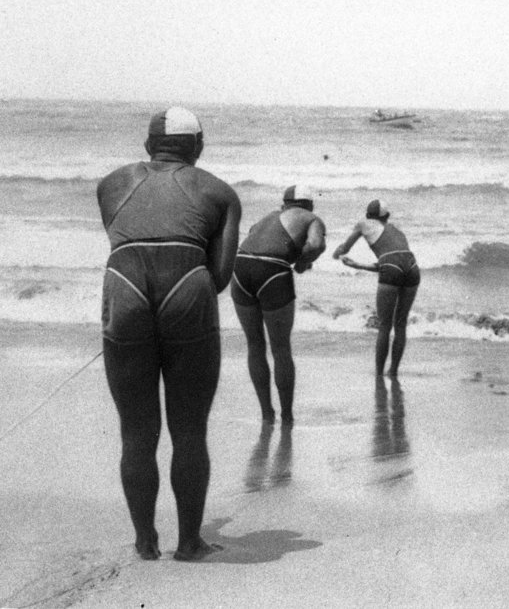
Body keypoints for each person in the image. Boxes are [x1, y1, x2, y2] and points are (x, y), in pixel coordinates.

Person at [97, 107, 241, 561]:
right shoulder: (219, 192)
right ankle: (189, 542)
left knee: (136, 432)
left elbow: (128, 237)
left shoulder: (111, 184)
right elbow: (220, 276)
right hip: (188, 287)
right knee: (189, 431)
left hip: (125, 287)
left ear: (148, 145)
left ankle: (145, 540)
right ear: (198, 146)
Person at [231, 184, 327, 425]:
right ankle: (287, 416)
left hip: (240, 267)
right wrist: (302, 262)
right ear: (310, 205)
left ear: (284, 204)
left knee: (255, 345)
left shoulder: (268, 217)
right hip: (272, 270)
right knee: (280, 348)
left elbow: (252, 235)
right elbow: (316, 245)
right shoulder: (311, 218)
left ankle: (266, 414)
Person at [333, 200, 420, 378]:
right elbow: (392, 261)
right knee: (400, 324)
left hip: (391, 267)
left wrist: (336, 254)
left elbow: (345, 248)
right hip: (412, 268)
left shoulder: (363, 224)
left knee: (384, 326)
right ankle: (393, 371)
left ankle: (379, 374)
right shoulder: (397, 231)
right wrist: (358, 265)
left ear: (367, 215)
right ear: (387, 216)